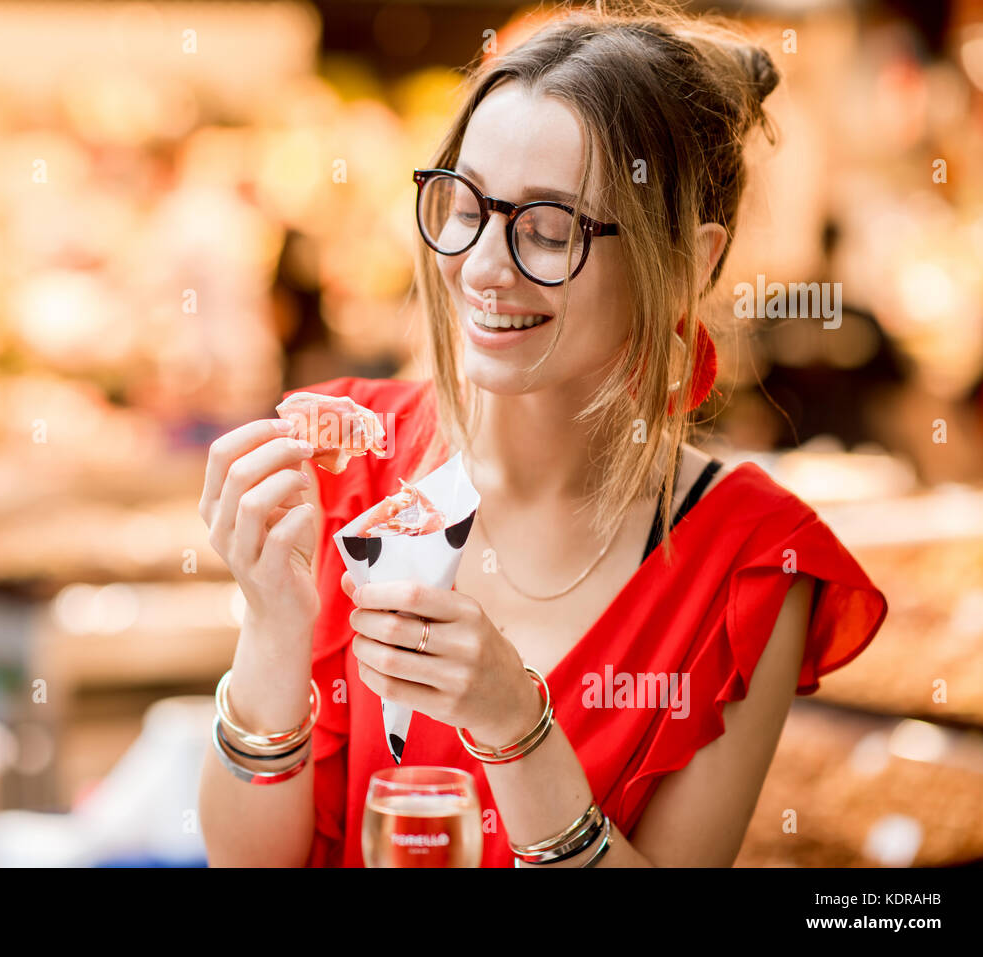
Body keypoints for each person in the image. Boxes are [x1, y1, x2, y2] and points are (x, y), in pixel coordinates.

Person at [197, 6, 888, 867]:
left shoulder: (750, 561)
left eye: (550, 229)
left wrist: (514, 728)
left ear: (690, 260)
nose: (483, 265)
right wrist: (271, 623)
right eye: (465, 204)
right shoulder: (347, 464)